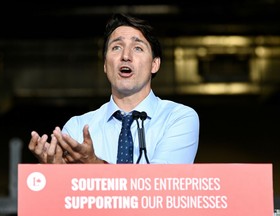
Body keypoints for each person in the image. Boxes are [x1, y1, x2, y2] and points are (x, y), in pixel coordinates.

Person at [28, 13, 199, 164]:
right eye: (116, 47)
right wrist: (55, 173)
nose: (125, 56)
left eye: (138, 48)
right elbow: (67, 195)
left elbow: (161, 186)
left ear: (155, 64)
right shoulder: (76, 128)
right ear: (105, 64)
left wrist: (94, 165)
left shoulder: (178, 118)